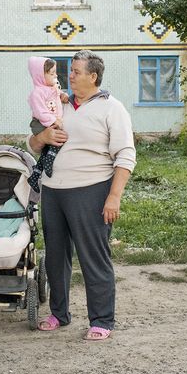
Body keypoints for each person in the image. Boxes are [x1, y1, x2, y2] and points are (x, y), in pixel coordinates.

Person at [27, 50, 136, 341]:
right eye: (70, 71)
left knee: (93, 257)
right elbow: (32, 144)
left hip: (92, 190)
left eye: (75, 71)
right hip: (53, 191)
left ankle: (102, 319)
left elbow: (125, 155)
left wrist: (114, 197)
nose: (69, 76)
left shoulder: (112, 108)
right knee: (55, 257)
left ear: (93, 76)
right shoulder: (56, 104)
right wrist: (43, 138)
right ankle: (59, 313)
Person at [26, 57, 68, 193]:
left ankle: (35, 175)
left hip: (50, 121)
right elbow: (40, 112)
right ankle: (49, 163)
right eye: (51, 73)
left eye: (55, 73)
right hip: (41, 123)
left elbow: (57, 94)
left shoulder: (52, 87)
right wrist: (53, 121)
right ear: (41, 76)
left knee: (46, 151)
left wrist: (62, 95)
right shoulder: (37, 93)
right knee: (58, 139)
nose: (55, 75)